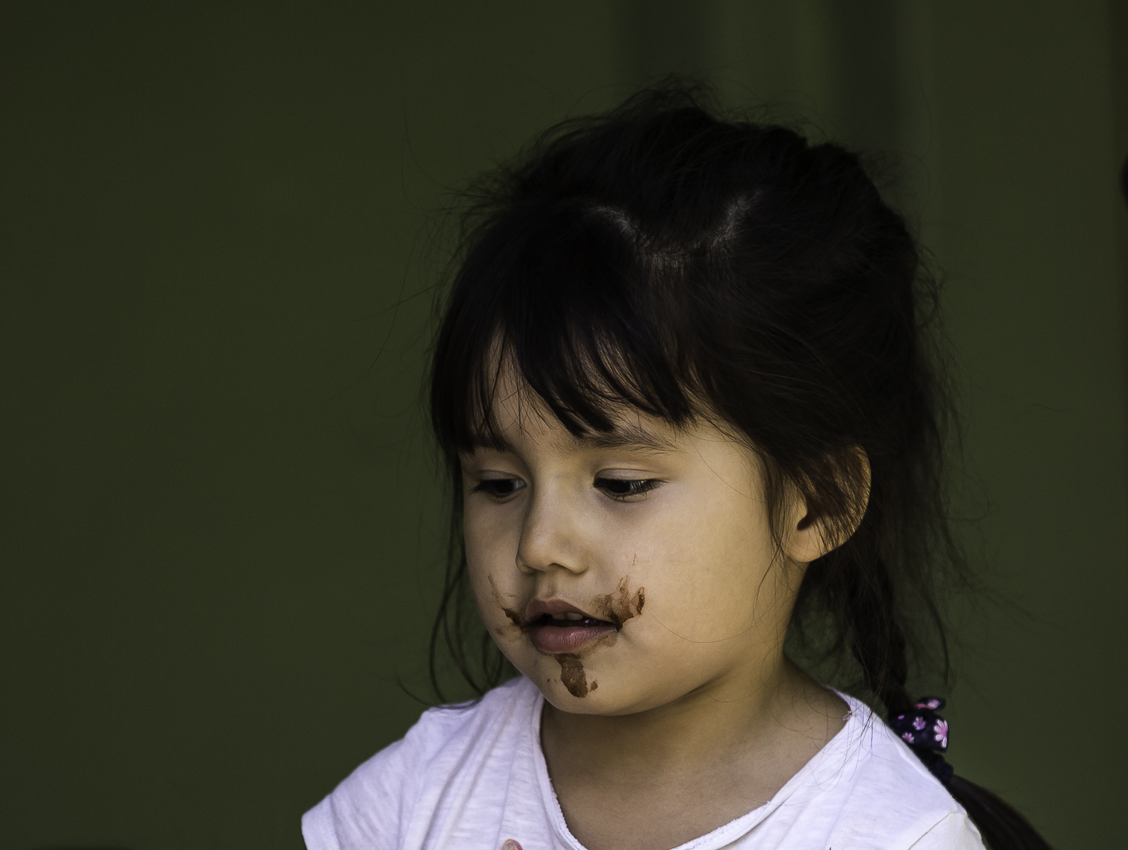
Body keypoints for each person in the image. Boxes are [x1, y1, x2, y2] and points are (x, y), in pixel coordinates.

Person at [302, 87, 1052, 850]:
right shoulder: (413, 799)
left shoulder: (894, 836)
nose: (538, 545)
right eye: (499, 484)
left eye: (620, 484)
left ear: (815, 504)